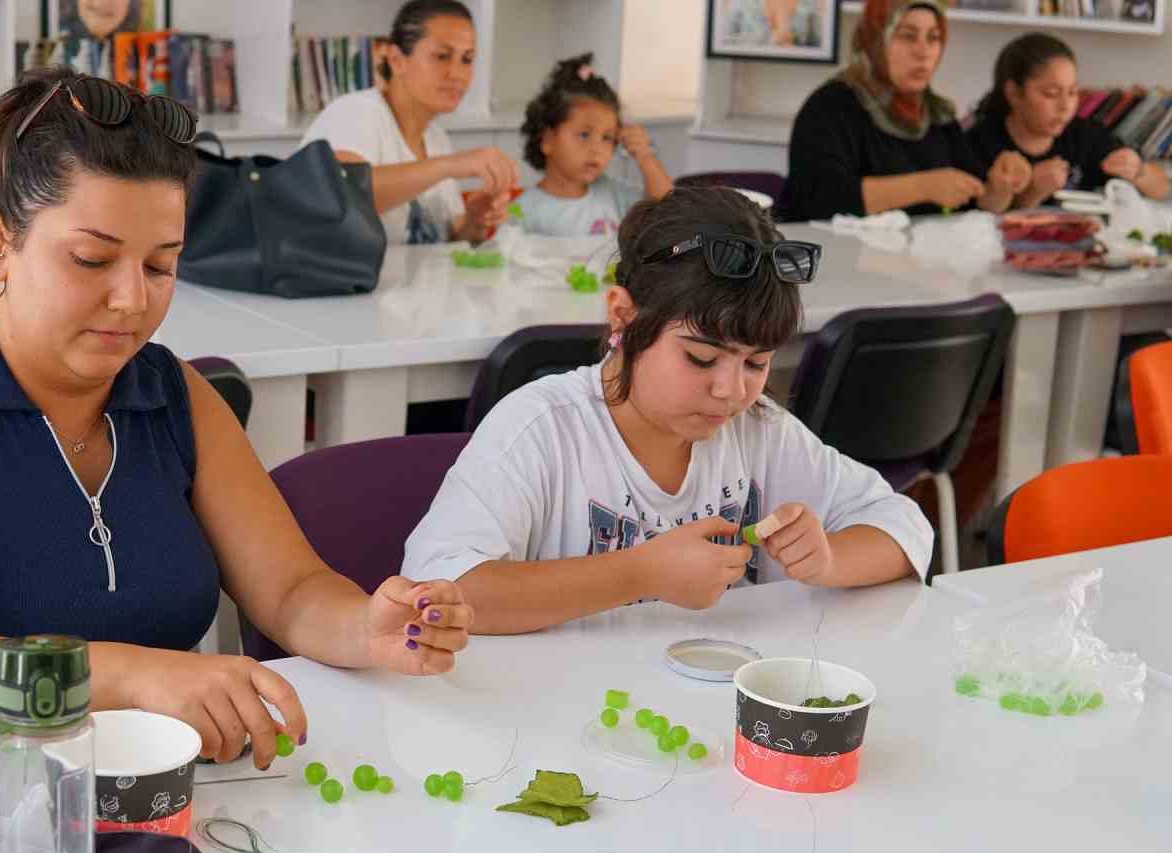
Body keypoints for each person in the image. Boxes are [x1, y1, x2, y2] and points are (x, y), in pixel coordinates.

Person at [0, 70, 475, 769]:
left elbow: (289, 589)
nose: (132, 299)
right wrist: (135, 677)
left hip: (142, 796)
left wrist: (366, 627)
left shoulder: (174, 395)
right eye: (92, 259)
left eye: (161, 267)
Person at [402, 187, 933, 635]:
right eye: (701, 358)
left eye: (756, 363)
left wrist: (830, 558)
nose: (729, 391)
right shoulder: (542, 432)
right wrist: (637, 574)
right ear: (624, 316)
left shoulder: (756, 430)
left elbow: (904, 527)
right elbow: (441, 591)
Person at [778, 0, 1032, 221]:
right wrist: (923, 186)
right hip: (835, 266)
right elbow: (818, 201)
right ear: (875, 40)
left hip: (916, 269)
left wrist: (1001, 187)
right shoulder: (830, 106)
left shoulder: (937, 114)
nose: (923, 52)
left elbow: (977, 204)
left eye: (933, 38)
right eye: (908, 35)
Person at [300, 0, 517, 245]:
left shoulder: (437, 139)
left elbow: (449, 245)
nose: (457, 74)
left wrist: (474, 220)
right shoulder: (355, 113)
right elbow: (341, 194)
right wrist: (450, 165)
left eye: (467, 59)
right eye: (442, 56)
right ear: (396, 59)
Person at [968, 33, 1168, 206]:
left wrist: (1139, 171)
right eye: (1051, 94)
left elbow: (1162, 189)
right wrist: (1032, 192)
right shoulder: (979, 141)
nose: (1065, 106)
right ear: (1013, 93)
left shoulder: (1085, 135)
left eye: (1072, 92)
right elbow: (978, 217)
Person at [515, 53, 672, 237]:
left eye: (607, 138)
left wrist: (645, 156)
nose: (597, 149)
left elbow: (665, 208)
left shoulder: (614, 195)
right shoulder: (523, 210)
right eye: (584, 135)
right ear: (547, 140)